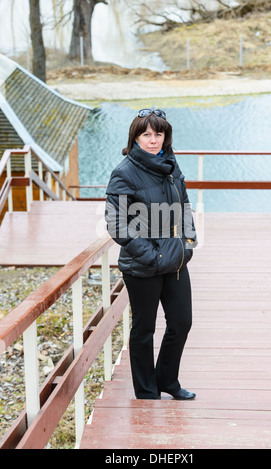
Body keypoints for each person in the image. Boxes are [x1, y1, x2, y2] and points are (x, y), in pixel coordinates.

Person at [105, 108, 197, 400]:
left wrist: (188, 240)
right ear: (135, 137)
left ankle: (167, 379)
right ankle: (146, 390)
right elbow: (116, 223)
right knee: (144, 329)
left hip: (176, 259)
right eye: (146, 134)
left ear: (165, 137)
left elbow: (183, 202)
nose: (153, 140)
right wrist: (151, 255)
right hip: (143, 264)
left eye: (158, 134)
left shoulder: (170, 164)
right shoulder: (124, 172)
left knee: (181, 321)